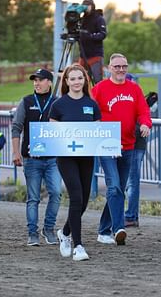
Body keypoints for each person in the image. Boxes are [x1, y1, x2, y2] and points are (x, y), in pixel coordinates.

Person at [91, 53, 151, 246]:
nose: (121, 70)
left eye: (124, 66)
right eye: (117, 66)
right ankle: (118, 228)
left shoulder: (134, 89)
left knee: (119, 189)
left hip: (129, 145)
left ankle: (103, 230)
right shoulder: (100, 88)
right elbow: (90, 110)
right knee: (114, 186)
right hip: (107, 145)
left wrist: (145, 124)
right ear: (109, 68)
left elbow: (143, 111)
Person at [49, 64, 101, 260]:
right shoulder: (58, 105)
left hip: (87, 157)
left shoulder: (92, 104)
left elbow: (97, 132)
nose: (77, 82)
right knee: (76, 197)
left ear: (85, 80)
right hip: (66, 156)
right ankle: (78, 246)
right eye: (73, 79)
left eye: (80, 78)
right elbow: (52, 133)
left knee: (84, 201)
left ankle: (64, 233)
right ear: (67, 82)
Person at [12, 68, 62, 246]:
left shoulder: (57, 102)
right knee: (33, 197)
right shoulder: (26, 101)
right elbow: (16, 127)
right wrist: (16, 152)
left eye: (40, 80)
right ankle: (32, 232)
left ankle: (48, 229)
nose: (36, 83)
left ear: (49, 82)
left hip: (53, 159)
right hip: (31, 159)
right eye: (35, 80)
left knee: (56, 193)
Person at [124, 74, 151, 227]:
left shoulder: (136, 99)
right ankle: (130, 215)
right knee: (128, 182)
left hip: (135, 144)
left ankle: (131, 216)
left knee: (132, 182)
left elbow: (143, 117)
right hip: (128, 143)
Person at [78, 0, 107, 84]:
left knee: (98, 81)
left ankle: (98, 97)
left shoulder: (99, 18)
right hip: (83, 55)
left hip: (95, 55)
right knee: (81, 81)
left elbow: (103, 34)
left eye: (88, 5)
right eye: (84, 5)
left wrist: (90, 36)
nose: (86, 7)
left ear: (92, 6)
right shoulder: (82, 19)